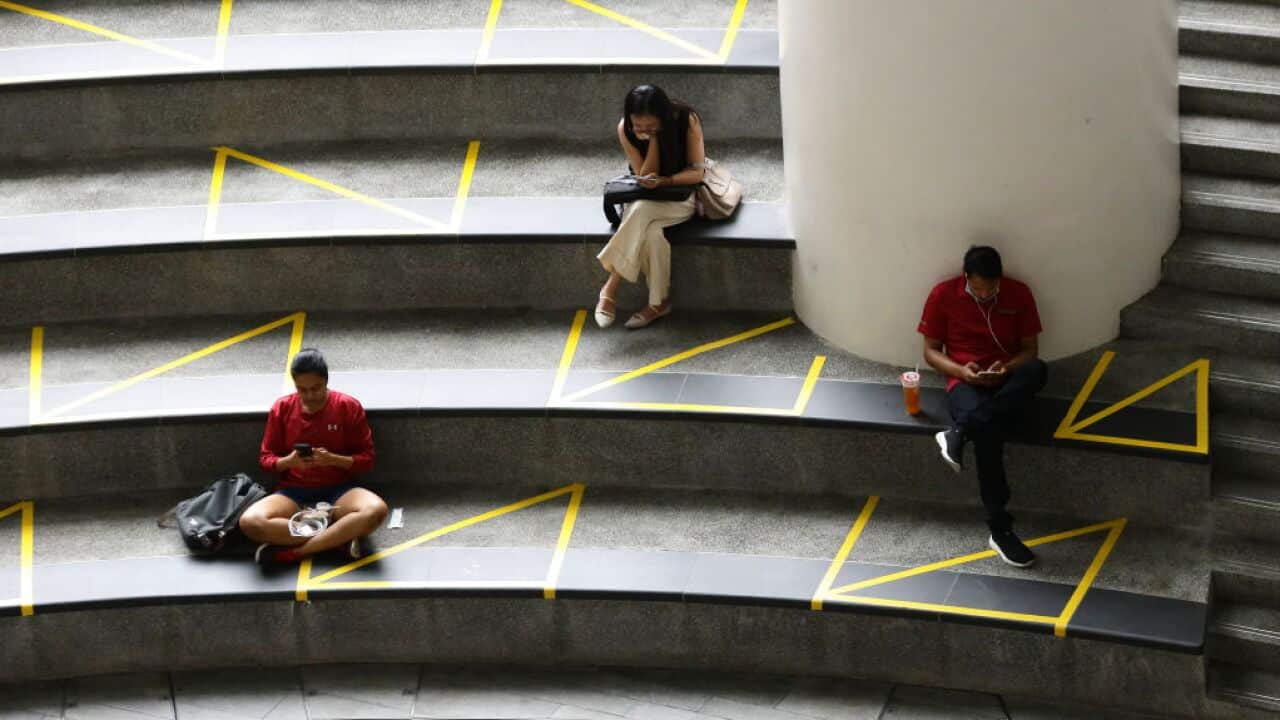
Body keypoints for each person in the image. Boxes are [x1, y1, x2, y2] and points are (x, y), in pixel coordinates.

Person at [918, 246, 1048, 568]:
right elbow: (930, 351)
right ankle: (1000, 531)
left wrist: (1006, 368)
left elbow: (1030, 350)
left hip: (1005, 380)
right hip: (964, 381)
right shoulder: (943, 295)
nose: (985, 294)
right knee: (989, 433)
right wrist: (961, 371)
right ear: (966, 278)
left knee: (1038, 370)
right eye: (978, 289)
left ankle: (959, 432)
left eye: (991, 288)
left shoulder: (1019, 294)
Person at [240, 348, 388, 566]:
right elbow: (266, 459)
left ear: (326, 381)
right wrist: (288, 462)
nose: (309, 396)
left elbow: (367, 459)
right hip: (293, 493)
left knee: (376, 510)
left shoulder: (347, 406)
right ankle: (338, 536)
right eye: (302, 389)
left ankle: (300, 551)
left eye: (316, 388)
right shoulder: (282, 408)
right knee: (250, 522)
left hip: (340, 491)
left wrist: (333, 459)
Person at [595, 84, 706, 330]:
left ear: (663, 117)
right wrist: (655, 140)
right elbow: (644, 175)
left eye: (650, 125)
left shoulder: (686, 120)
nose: (643, 130)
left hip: (681, 196)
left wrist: (666, 180)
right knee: (652, 233)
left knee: (641, 211)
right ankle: (659, 303)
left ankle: (611, 285)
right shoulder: (625, 129)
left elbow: (697, 173)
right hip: (646, 198)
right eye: (639, 125)